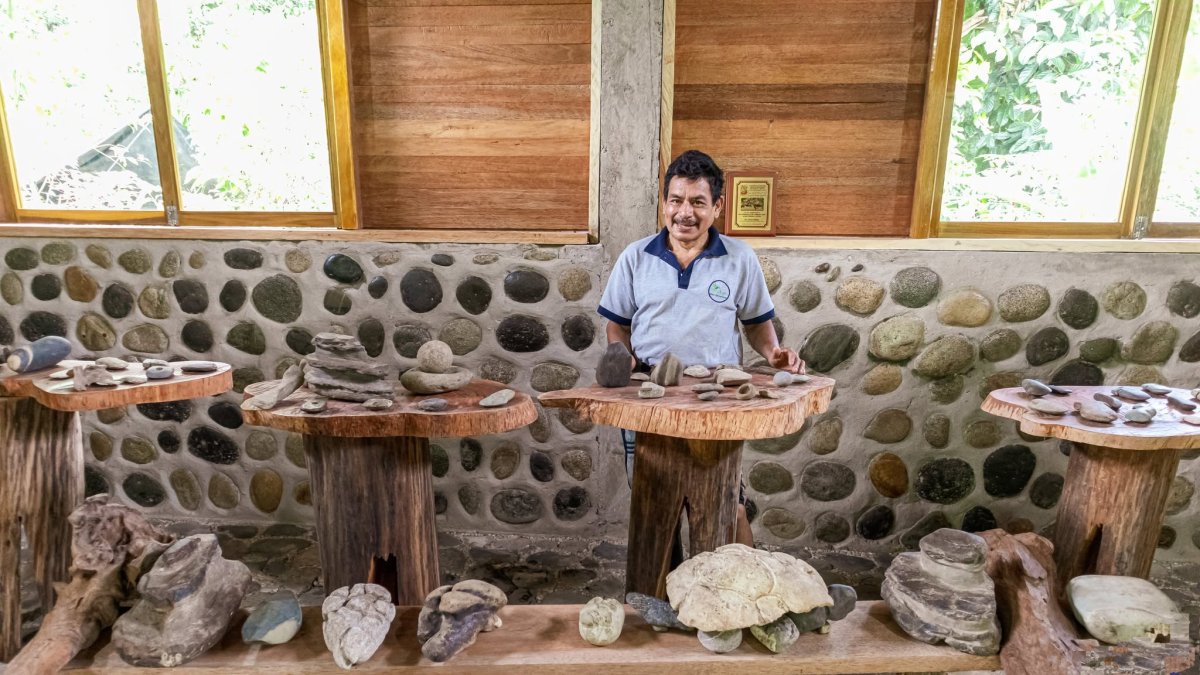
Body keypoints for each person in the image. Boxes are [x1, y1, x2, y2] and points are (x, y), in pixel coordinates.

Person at [597, 149, 803, 548]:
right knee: (656, 507)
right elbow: (616, 323)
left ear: (717, 206)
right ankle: (656, 600)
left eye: (697, 202)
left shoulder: (739, 258)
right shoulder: (635, 257)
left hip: (717, 398)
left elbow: (757, 323)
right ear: (664, 202)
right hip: (648, 394)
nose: (684, 213)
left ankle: (739, 592)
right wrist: (623, 356)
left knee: (728, 502)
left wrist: (773, 352)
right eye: (675, 200)